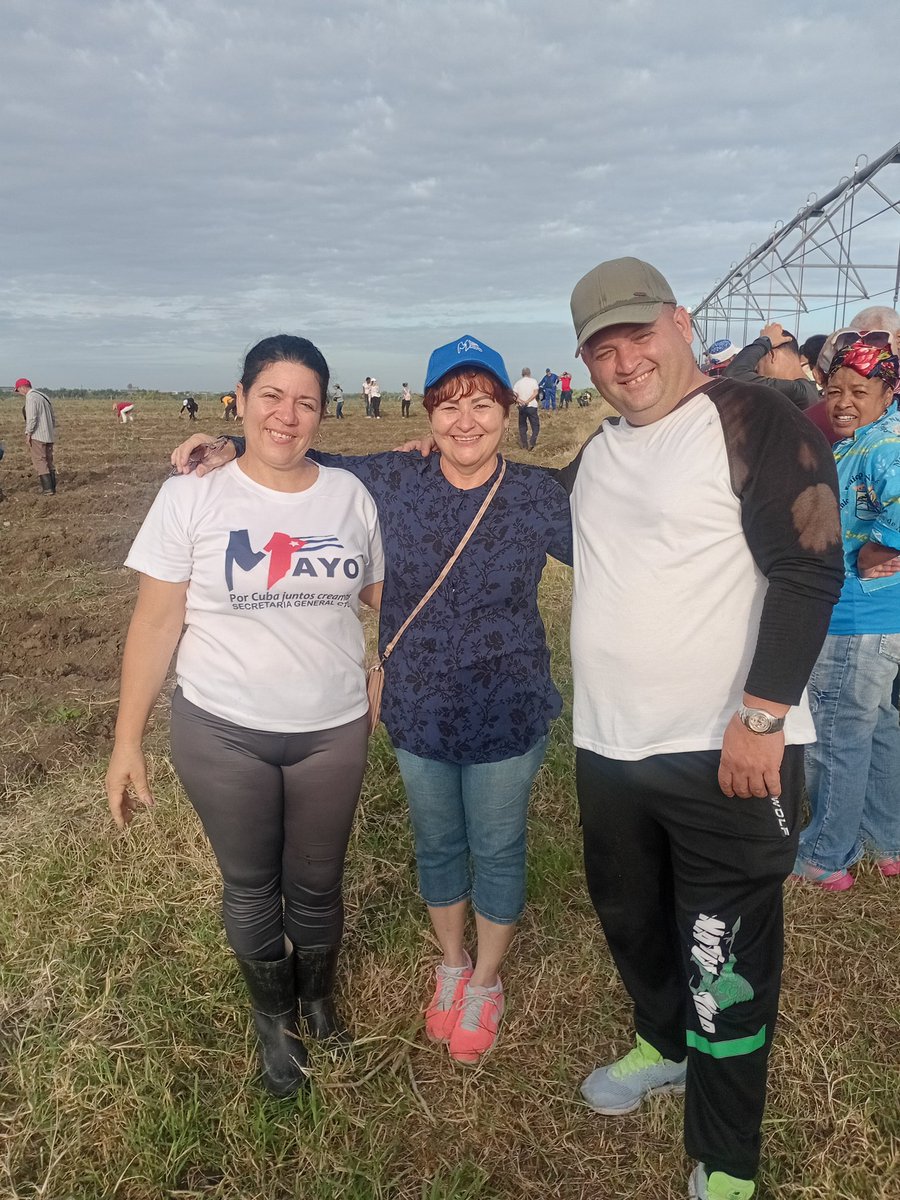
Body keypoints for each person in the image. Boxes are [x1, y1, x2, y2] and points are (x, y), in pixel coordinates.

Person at [170, 333, 573, 1067]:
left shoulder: (538, 496)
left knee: (498, 845)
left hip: (508, 708)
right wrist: (230, 443)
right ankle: (451, 962)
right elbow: (305, 456)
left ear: (508, 411)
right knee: (438, 844)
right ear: (430, 414)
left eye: (483, 405)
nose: (465, 423)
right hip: (417, 707)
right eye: (449, 407)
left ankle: (486, 981)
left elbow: (619, 545)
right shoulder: (394, 477)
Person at [564, 258, 843, 1200]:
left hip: (727, 749)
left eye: (639, 334)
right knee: (633, 917)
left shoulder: (752, 420)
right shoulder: (602, 451)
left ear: (680, 323)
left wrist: (761, 716)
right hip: (610, 745)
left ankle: (727, 1158)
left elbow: (809, 566)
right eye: (603, 348)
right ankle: (664, 1042)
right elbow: (504, 504)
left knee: (722, 953)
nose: (625, 361)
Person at [106, 335, 384, 1099]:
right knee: (253, 884)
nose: (287, 416)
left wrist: (387, 665)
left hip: (332, 728)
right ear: (241, 398)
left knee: (319, 881)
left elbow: (383, 597)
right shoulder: (193, 496)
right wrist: (126, 739)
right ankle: (275, 1021)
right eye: (272, 397)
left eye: (306, 402)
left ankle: (318, 1000)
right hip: (222, 730)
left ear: (323, 412)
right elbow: (155, 623)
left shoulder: (350, 496)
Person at [791, 341, 900, 890]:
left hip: (857, 617)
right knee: (878, 730)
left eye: (859, 391)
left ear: (889, 391)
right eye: (834, 390)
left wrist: (881, 545)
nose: (842, 402)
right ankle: (886, 840)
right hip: (879, 618)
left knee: (836, 735)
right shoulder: (867, 441)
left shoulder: (885, 446)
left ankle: (824, 853)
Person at [724, 323, 818, 409]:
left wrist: (764, 341)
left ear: (772, 355)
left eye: (758, 367)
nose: (758, 374)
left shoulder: (797, 392)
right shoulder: (808, 391)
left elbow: (732, 375)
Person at [15, 378, 57, 494]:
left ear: (22, 387)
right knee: (49, 461)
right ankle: (53, 487)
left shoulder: (31, 397)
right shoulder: (44, 396)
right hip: (49, 434)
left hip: (38, 435)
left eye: (18, 390)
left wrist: (28, 433)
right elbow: (53, 417)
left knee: (40, 460)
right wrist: (51, 429)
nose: (19, 393)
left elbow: (32, 418)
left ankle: (47, 489)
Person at [512, 367, 540, 450]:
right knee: (535, 426)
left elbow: (514, 396)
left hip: (521, 407)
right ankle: (532, 442)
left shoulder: (517, 383)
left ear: (522, 374)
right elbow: (535, 392)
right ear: (529, 373)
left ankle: (524, 445)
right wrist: (528, 401)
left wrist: (521, 401)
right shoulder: (533, 381)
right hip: (532, 406)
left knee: (522, 426)